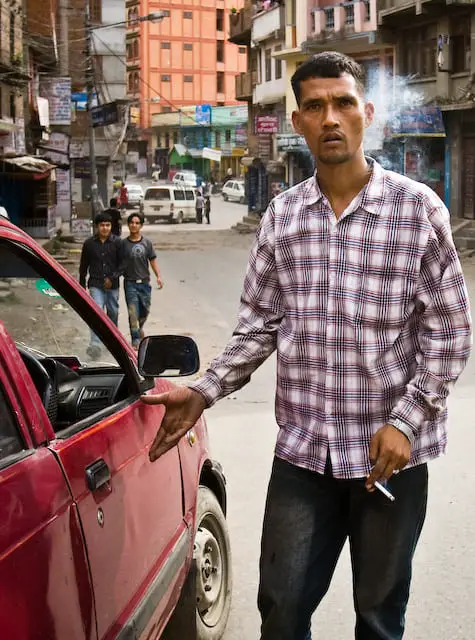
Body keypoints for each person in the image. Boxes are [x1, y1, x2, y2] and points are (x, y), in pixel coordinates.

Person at [141, 52, 473, 639]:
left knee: (378, 617)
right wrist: (204, 390)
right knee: (282, 608)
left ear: (367, 113)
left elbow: (448, 331)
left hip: (390, 459)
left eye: (344, 102)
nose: (331, 117)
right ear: (298, 122)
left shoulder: (416, 210)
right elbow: (259, 324)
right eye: (316, 106)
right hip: (304, 457)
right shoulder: (283, 216)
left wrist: (407, 419)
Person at [79, 212, 122, 360]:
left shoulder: (117, 243)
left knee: (113, 312)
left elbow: (122, 264)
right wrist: (81, 285)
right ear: (97, 227)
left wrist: (113, 277)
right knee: (96, 313)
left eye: (107, 225)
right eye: (102, 225)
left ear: (111, 227)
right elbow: (83, 265)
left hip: (113, 286)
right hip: (95, 284)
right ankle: (95, 344)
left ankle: (113, 342)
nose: (105, 228)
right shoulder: (89, 244)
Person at [122, 213, 163, 350]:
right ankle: (135, 340)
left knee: (144, 311)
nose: (134, 225)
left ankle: (139, 330)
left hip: (144, 283)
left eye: (137, 223)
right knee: (133, 312)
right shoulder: (123, 244)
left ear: (141, 225)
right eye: (131, 222)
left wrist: (158, 276)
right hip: (130, 283)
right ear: (128, 225)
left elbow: (152, 261)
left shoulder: (147, 243)